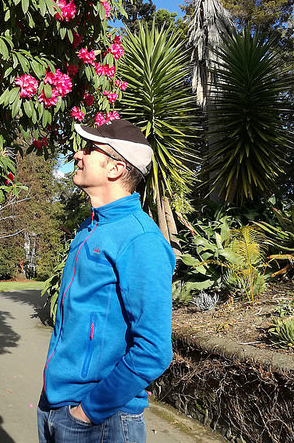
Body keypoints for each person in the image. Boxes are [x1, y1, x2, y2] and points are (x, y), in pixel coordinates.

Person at [37, 119, 177, 443]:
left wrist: (88, 412)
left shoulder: (140, 239)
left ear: (115, 169)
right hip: (56, 405)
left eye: (88, 148)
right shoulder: (91, 228)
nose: (78, 153)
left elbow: (154, 350)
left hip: (100, 420)